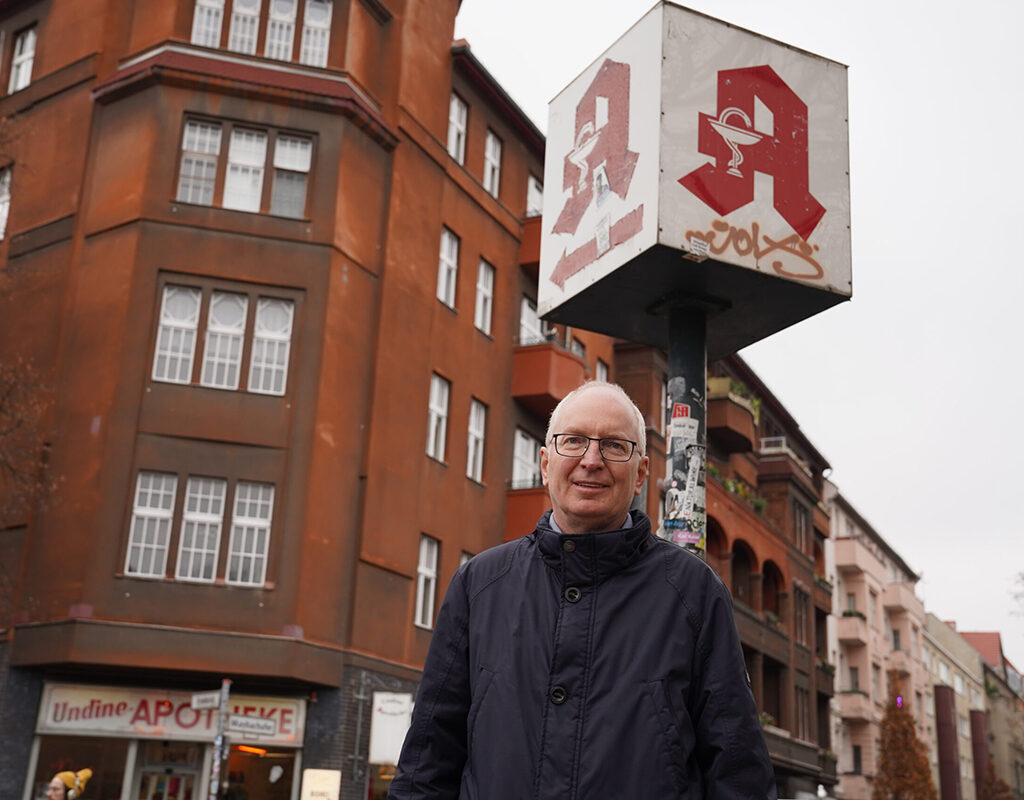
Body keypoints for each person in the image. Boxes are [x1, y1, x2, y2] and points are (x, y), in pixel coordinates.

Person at [388, 381, 776, 799]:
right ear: (545, 463)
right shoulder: (479, 585)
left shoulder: (693, 592)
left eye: (614, 446)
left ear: (641, 473)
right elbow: (427, 765)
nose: (591, 460)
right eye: (573, 441)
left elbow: (738, 774)